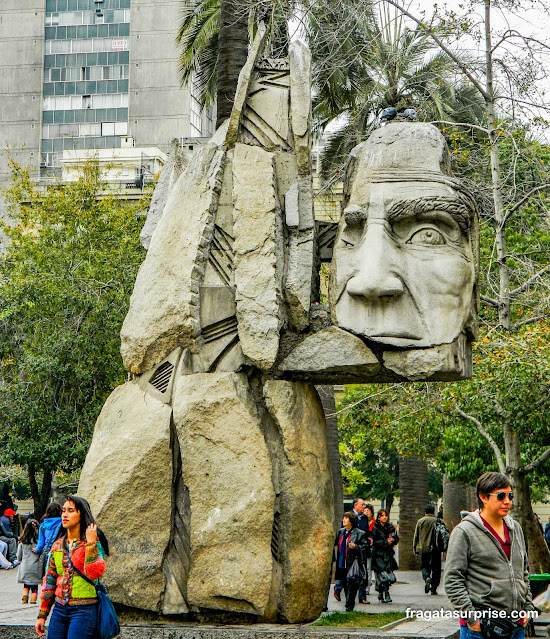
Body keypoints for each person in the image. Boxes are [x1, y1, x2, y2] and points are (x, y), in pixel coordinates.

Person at [445, 472, 534, 639]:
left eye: (510, 495)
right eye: (500, 496)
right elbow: (452, 580)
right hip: (482, 628)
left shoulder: (516, 529)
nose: (507, 501)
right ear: (483, 497)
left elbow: (524, 572)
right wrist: (472, 619)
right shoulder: (464, 531)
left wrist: (527, 608)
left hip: (516, 626)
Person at [35, 495, 107, 638]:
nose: (65, 515)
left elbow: (94, 573)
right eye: (63, 511)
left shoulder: (92, 543)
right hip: (60, 609)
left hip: (84, 610)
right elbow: (49, 581)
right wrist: (42, 615)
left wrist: (91, 543)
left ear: (81, 515)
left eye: (71, 510)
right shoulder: (57, 546)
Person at [334, 498, 370, 604]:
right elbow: (338, 542)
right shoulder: (341, 531)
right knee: (345, 582)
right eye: (362, 504)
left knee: (353, 582)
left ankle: (354, 602)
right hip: (343, 560)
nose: (364, 507)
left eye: (345, 519)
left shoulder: (362, 521)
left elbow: (364, 541)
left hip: (354, 560)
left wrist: (356, 546)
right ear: (355, 505)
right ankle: (347, 601)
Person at [371, 508, 399, 603]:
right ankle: (384, 593)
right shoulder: (375, 528)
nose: (384, 517)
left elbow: (396, 537)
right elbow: (374, 541)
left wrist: (393, 540)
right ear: (378, 517)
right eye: (382, 516)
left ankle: (383, 593)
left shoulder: (390, 527)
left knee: (388, 575)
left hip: (388, 554)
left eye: (385, 515)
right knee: (382, 575)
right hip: (378, 555)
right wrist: (385, 541)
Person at [413, 503, 441, 595]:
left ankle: (427, 577)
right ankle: (434, 588)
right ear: (433, 511)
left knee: (425, 566)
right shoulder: (439, 521)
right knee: (436, 569)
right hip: (436, 549)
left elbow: (416, 536)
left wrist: (415, 549)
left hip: (424, 548)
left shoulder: (421, 521)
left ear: (425, 512)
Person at [34, 502, 62, 576]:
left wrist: (36, 549)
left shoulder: (43, 525)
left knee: (47, 579)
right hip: (59, 552)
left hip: (47, 554)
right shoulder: (62, 523)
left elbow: (41, 544)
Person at [17, 519, 42, 604]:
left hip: (25, 568)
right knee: (34, 588)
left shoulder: (22, 542)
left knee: (26, 585)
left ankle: (24, 598)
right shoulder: (38, 544)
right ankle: (33, 601)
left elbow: (19, 557)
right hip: (35, 568)